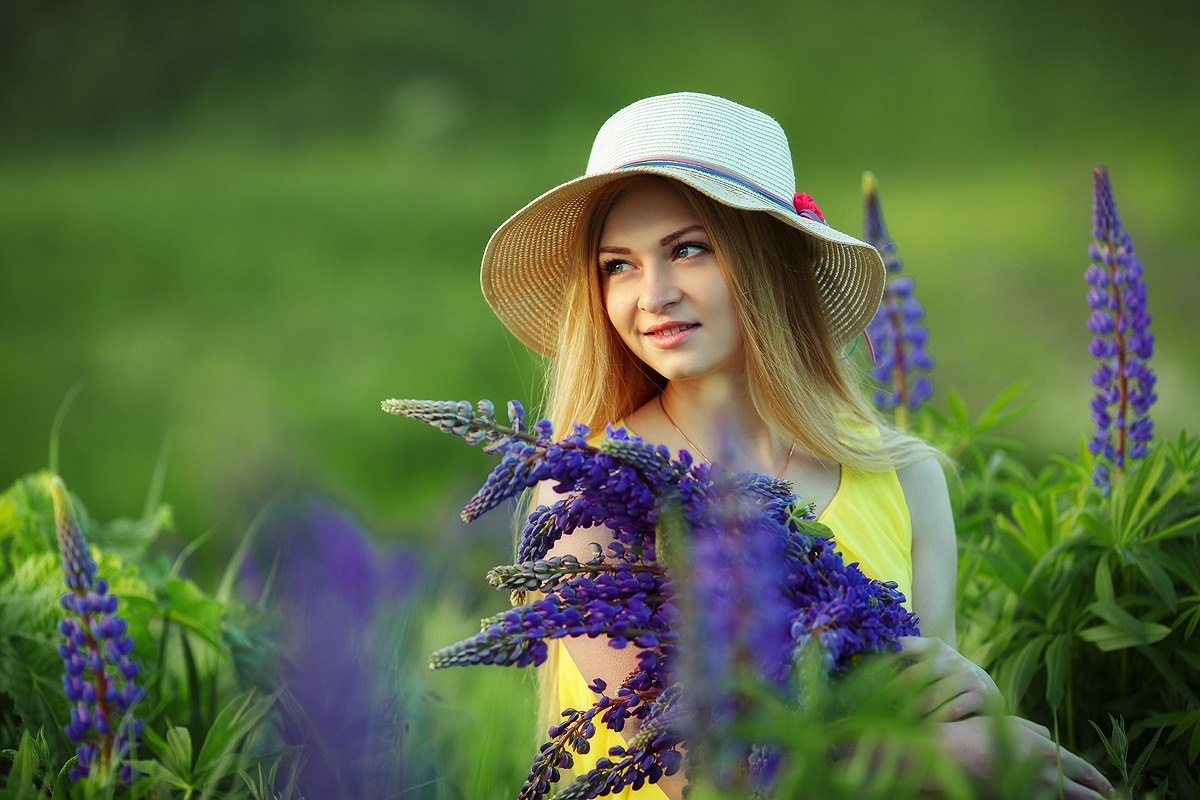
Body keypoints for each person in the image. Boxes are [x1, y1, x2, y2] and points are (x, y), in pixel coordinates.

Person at [479, 92, 1111, 799]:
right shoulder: (594, 486)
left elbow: (931, 721)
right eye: (617, 265)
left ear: (769, 259)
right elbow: (697, 772)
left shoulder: (903, 476)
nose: (652, 294)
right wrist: (934, 757)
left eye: (689, 250)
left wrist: (973, 705)